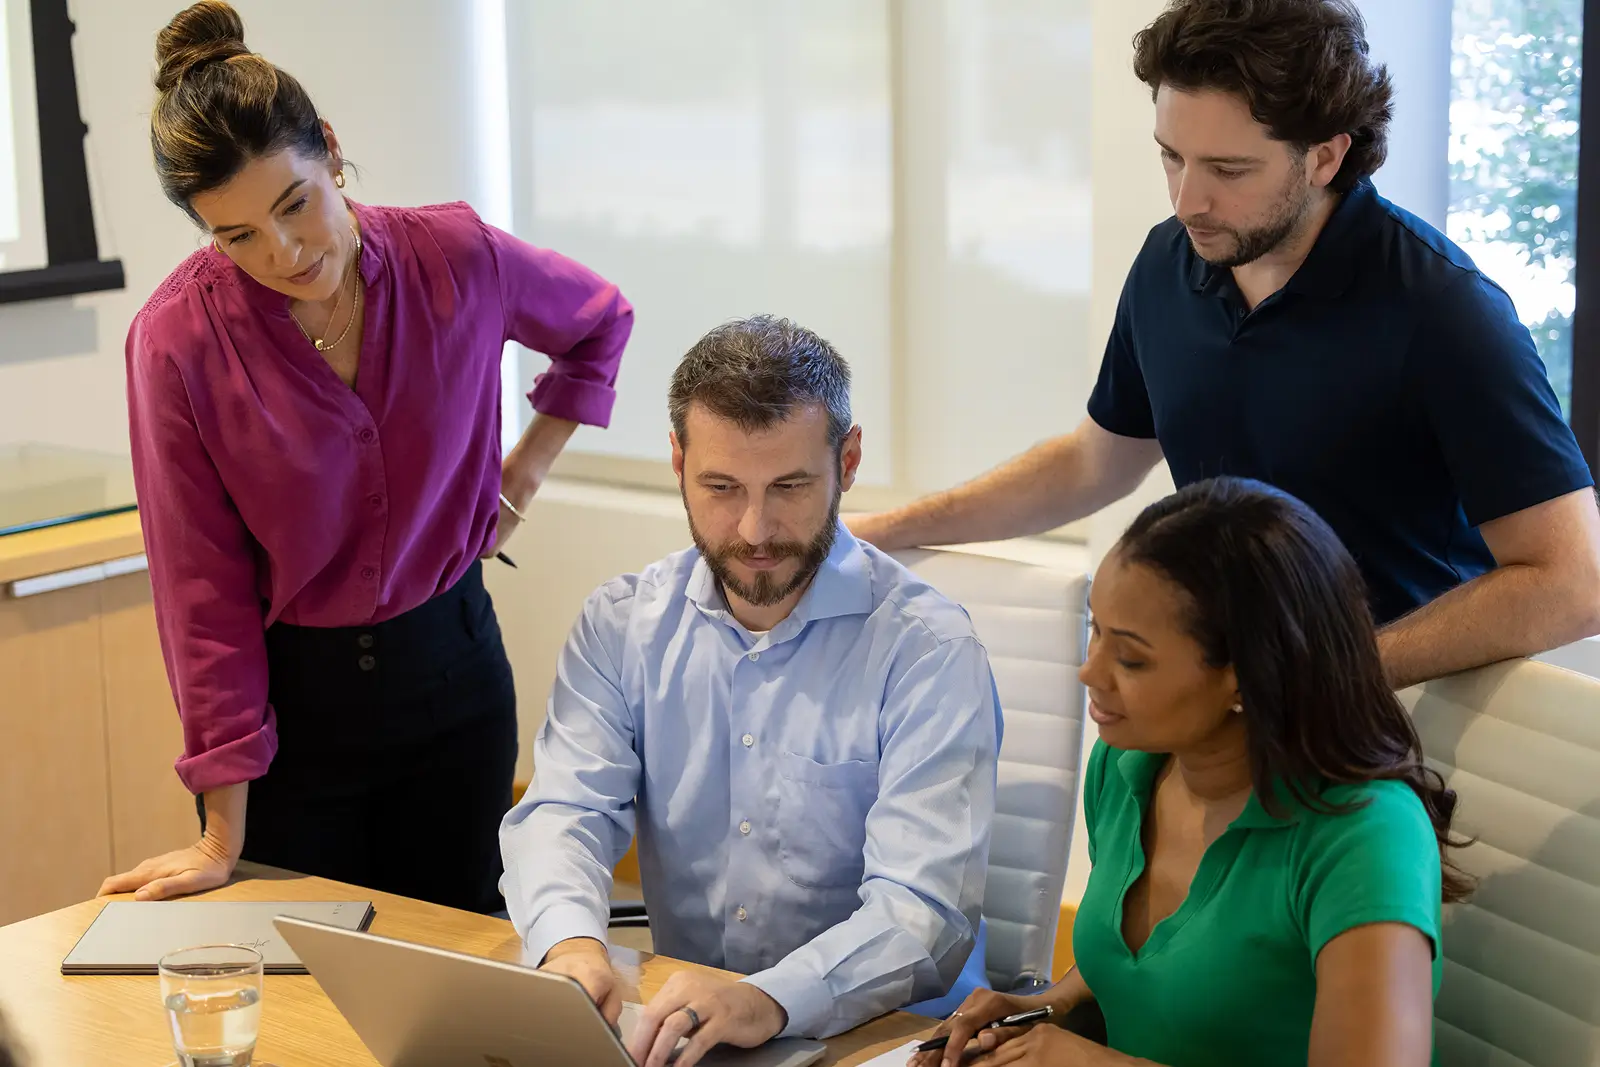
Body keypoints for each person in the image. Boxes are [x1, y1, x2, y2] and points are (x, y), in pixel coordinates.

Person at [849, 0, 1600, 690]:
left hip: (1392, 719)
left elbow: (1572, 581)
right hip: (1229, 702)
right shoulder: (1170, 262)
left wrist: (1331, 682)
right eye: (1172, 156)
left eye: (1227, 170)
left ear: (1326, 158)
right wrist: (886, 530)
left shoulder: (1445, 311)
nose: (1186, 201)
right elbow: (1092, 462)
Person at [98, 1, 632, 914]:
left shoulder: (456, 258)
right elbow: (202, 594)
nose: (283, 251)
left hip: (456, 680)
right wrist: (220, 833)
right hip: (296, 723)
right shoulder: (175, 345)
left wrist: (524, 470)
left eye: (293, 204)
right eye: (236, 237)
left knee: (461, 975)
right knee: (311, 1010)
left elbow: (596, 322)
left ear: (330, 151)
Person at [499, 316, 1001, 1067]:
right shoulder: (623, 624)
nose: (755, 528)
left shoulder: (928, 651)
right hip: (691, 1036)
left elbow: (921, 912)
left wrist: (772, 996)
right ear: (677, 462)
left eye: (790, 486)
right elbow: (564, 809)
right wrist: (570, 942)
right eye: (722, 487)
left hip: (888, 1042)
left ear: (849, 459)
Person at [913, 476, 1467, 1067]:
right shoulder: (1128, 766)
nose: (1089, 673)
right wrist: (1044, 1008)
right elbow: (1145, 972)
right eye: (1094, 631)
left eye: (1130, 657)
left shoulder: (1364, 836)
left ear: (1245, 678)